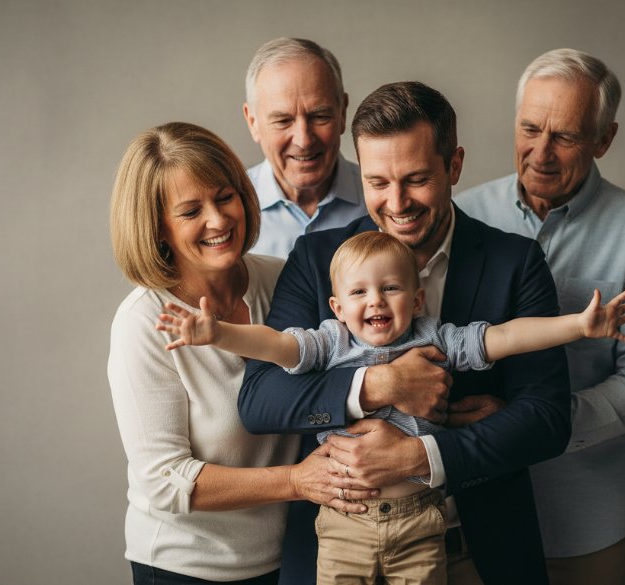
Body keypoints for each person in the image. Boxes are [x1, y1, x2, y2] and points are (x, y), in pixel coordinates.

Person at [158, 230, 625, 584]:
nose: (376, 301)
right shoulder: (331, 342)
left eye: (390, 288)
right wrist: (218, 334)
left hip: (419, 520)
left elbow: (505, 336)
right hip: (346, 521)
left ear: (417, 297)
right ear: (337, 307)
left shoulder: (437, 337)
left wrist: (577, 325)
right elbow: (277, 347)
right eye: (359, 292)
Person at [238, 81, 573, 585]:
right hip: (339, 552)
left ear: (454, 166)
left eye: (416, 179)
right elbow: (261, 399)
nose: (397, 204)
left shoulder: (514, 262)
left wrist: (424, 453)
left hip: (478, 553)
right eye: (377, 182)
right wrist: (379, 386)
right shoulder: (316, 259)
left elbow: (547, 417)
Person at [107, 122, 377, 585]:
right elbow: (164, 478)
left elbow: (345, 370)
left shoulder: (281, 281)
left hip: (288, 558)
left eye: (224, 196)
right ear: (158, 229)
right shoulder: (142, 322)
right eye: (191, 211)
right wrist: (295, 480)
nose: (218, 220)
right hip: (184, 567)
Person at [455, 48, 625, 585]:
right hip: (471, 513)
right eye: (530, 128)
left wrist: (531, 425)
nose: (541, 152)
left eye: (566, 136)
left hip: (586, 520)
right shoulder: (462, 212)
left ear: (604, 139)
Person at [242, 37, 367, 259]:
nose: (304, 141)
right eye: (283, 121)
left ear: (342, 113)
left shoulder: (383, 202)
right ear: (253, 122)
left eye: (319, 116)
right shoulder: (229, 214)